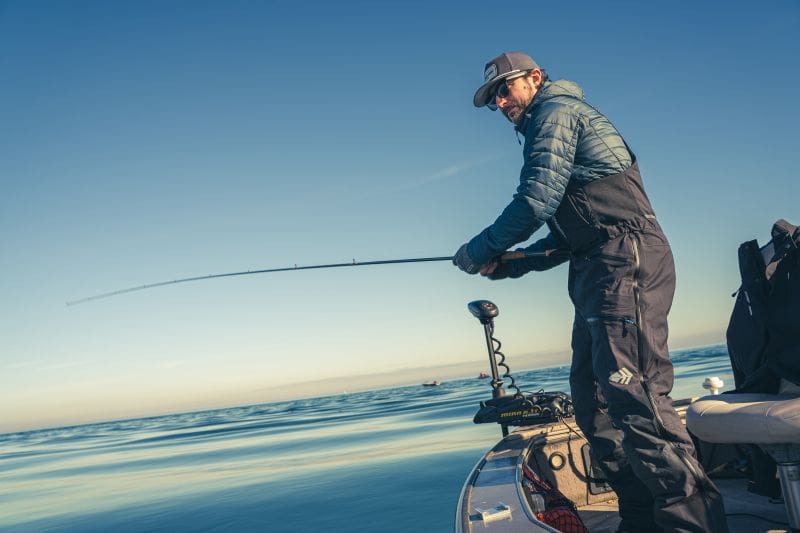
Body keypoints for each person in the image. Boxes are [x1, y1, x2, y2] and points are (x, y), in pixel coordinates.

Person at [453, 51, 728, 533]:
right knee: (592, 402)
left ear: (534, 78)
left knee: (635, 398)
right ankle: (641, 520)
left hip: (626, 258)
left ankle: (694, 524)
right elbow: (570, 236)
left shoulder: (555, 113)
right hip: (596, 266)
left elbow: (536, 199)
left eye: (505, 89)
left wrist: (480, 248)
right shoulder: (545, 121)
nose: (499, 102)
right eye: (493, 97)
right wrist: (508, 266)